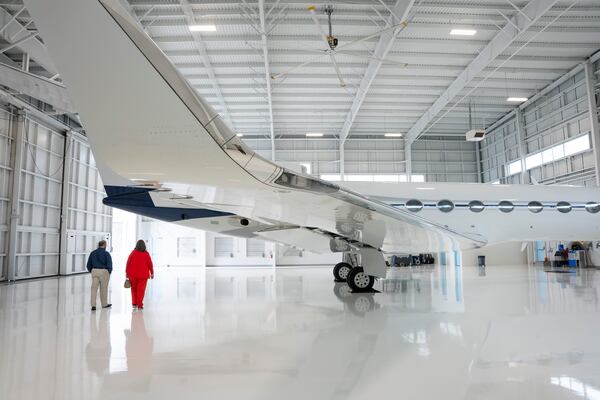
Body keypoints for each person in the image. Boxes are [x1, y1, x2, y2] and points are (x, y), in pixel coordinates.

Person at [126, 240, 154, 310]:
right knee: (141, 290)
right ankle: (140, 305)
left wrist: (126, 273)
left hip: (132, 274)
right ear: (144, 246)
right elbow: (150, 264)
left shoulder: (133, 253)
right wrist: (152, 272)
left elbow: (128, 263)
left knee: (133, 289)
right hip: (143, 275)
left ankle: (134, 303)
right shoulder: (146, 254)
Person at [86, 240, 113, 311]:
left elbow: (88, 264)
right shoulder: (106, 254)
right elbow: (109, 264)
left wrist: (91, 270)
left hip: (94, 271)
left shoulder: (93, 253)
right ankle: (104, 304)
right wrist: (109, 271)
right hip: (104, 272)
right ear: (104, 245)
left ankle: (93, 305)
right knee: (103, 289)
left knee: (93, 289)